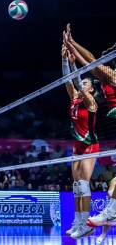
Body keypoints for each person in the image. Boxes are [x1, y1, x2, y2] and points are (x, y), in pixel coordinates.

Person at [63, 24, 116, 227]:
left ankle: (109, 213)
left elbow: (91, 64)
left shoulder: (111, 76)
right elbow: (92, 60)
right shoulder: (107, 74)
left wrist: (72, 48)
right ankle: (105, 214)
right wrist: (71, 43)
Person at [61, 31, 99, 239]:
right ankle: (77, 221)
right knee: (76, 186)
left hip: (90, 145)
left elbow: (75, 79)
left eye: (86, 83)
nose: (82, 84)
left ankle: (86, 223)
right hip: (77, 145)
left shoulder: (89, 101)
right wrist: (64, 59)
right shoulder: (75, 98)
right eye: (82, 82)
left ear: (91, 89)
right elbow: (68, 79)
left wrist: (74, 62)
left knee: (84, 184)